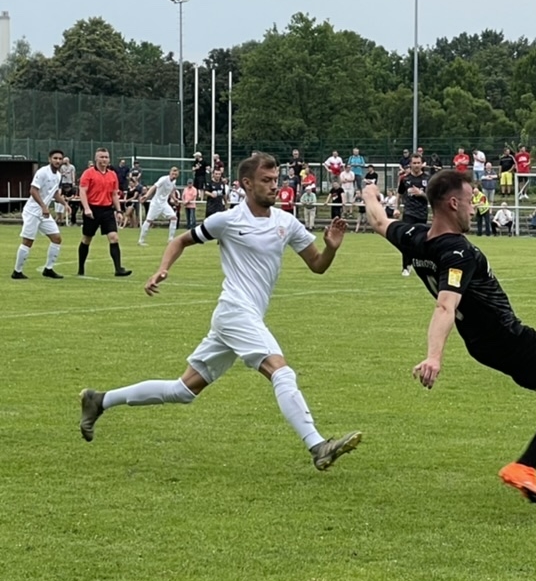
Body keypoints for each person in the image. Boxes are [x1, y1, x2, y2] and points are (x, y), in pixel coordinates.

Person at [78, 152, 361, 471]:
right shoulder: (227, 220)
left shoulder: (287, 222)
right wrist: (162, 268)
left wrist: (331, 248)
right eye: (266, 180)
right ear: (247, 184)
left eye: (276, 179)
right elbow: (181, 241)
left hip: (239, 317)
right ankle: (318, 445)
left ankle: (99, 400)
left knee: (183, 390)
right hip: (236, 311)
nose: (274, 186)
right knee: (281, 371)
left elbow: (318, 265)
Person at [360, 173, 536, 508]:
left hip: (482, 343)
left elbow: (379, 221)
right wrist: (434, 356)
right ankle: (524, 466)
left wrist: (369, 192)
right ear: (453, 203)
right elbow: (445, 305)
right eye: (471, 201)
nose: (475, 208)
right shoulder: (457, 252)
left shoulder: (415, 237)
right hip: (509, 338)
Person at [14, 149, 68, 279]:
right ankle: (17, 271)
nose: (58, 161)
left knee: (57, 238)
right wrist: (44, 206)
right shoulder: (42, 172)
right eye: (55, 158)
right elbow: (33, 190)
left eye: (60, 159)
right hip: (32, 212)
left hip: (44, 213)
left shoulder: (58, 175)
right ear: (49, 159)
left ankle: (48, 269)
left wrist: (65, 204)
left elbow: (55, 193)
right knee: (28, 241)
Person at [77, 148, 131, 277]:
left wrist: (119, 210)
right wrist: (86, 208)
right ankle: (81, 268)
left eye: (106, 157)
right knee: (87, 239)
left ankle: (118, 269)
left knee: (114, 237)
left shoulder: (112, 174)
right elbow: (82, 191)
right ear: (96, 158)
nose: (104, 160)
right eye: (101, 157)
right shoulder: (88, 173)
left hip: (107, 210)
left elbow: (114, 194)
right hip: (92, 209)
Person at [398, 154, 431, 276]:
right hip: (409, 212)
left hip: (422, 214)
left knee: (420, 241)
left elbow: (432, 198)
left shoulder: (428, 179)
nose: (416, 165)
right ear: (410, 164)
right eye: (414, 163)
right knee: (406, 239)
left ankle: (420, 265)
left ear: (422, 164)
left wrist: (421, 194)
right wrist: (396, 209)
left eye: (418, 163)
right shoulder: (405, 179)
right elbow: (399, 194)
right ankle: (406, 266)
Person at [138, 167, 180, 246]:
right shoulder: (163, 179)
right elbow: (154, 187)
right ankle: (141, 240)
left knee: (174, 218)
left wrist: (174, 199)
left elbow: (171, 191)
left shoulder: (174, 181)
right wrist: (146, 196)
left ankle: (171, 240)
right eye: (173, 173)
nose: (174, 175)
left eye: (176, 173)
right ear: (170, 172)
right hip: (156, 203)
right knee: (149, 221)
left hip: (164, 204)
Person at [58, 154, 78, 226]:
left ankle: (72, 220)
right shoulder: (62, 167)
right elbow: (60, 174)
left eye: (65, 161)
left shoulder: (72, 167)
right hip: (64, 182)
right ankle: (61, 219)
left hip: (70, 182)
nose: (64, 162)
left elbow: (73, 174)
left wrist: (73, 182)